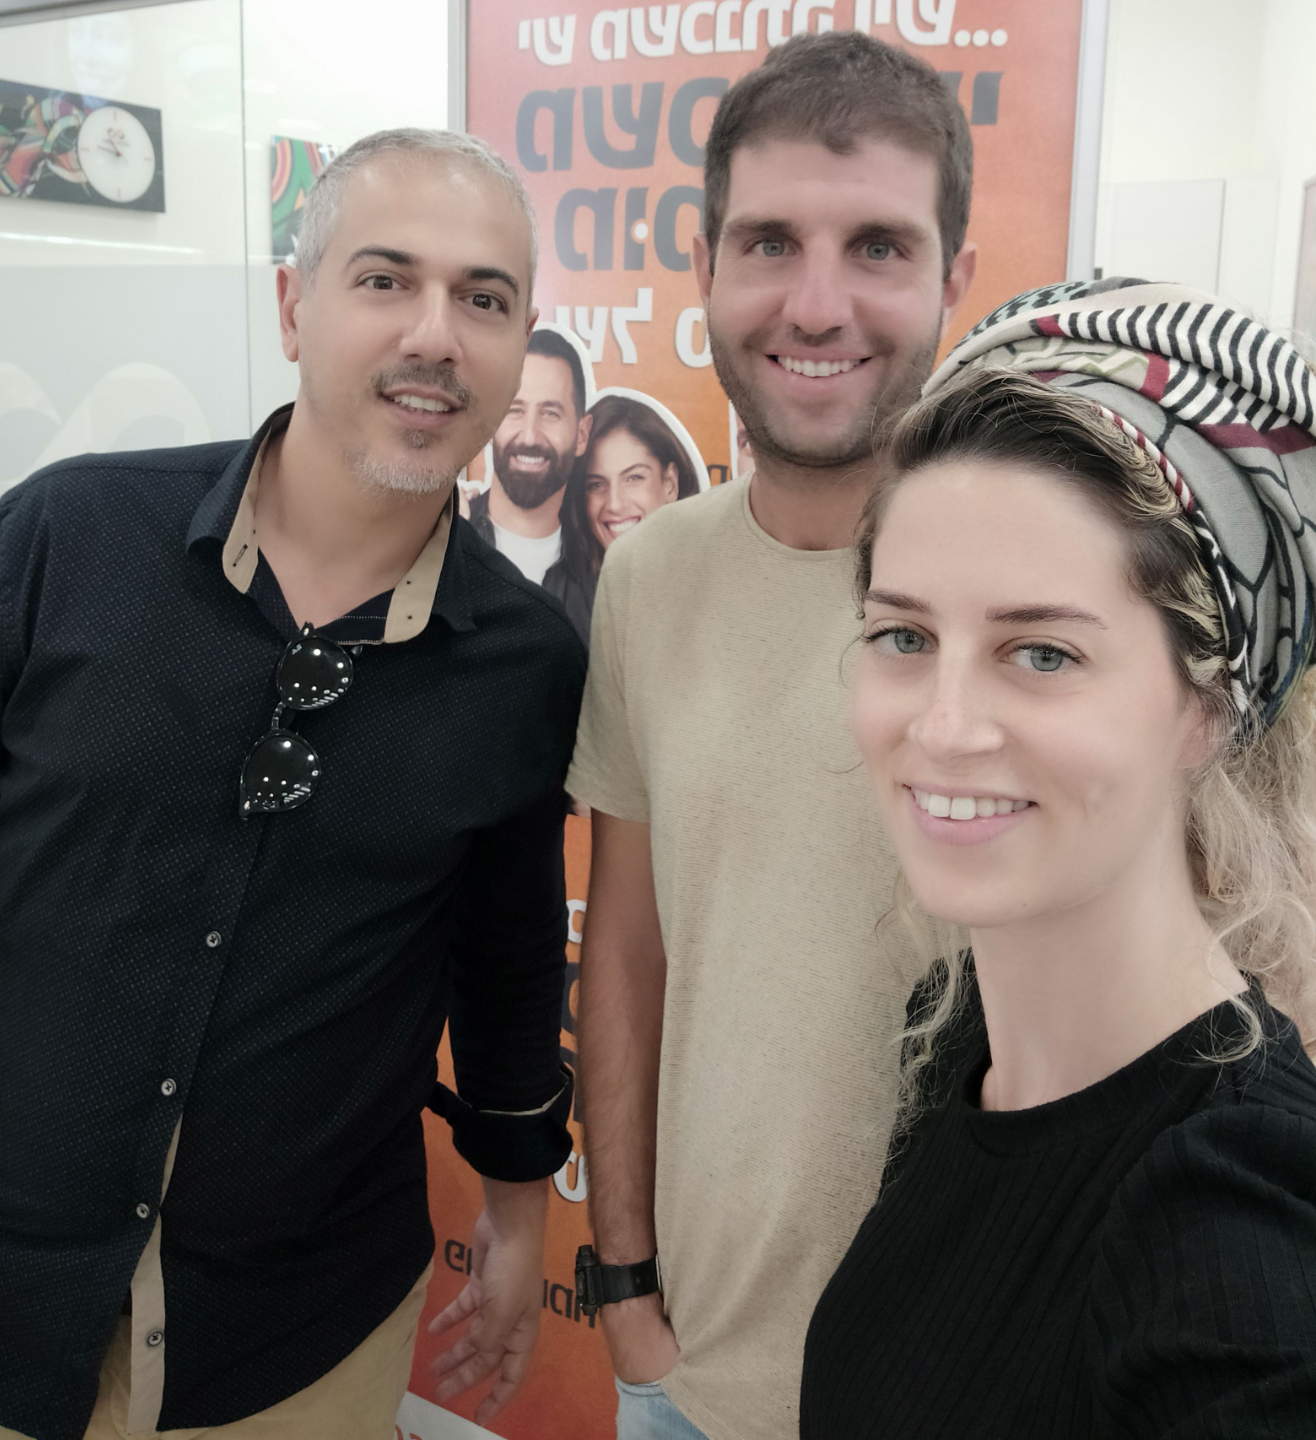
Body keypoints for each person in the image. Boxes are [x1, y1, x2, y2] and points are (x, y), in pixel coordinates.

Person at [0, 129, 586, 1440]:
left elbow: (505, 967)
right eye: (385, 280)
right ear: (290, 305)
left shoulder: (524, 661)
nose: (434, 336)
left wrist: (516, 1208)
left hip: (297, 1340)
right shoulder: (66, 537)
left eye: (483, 299)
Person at [801, 280, 1316, 1438]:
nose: (942, 726)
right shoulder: (957, 1032)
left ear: (1207, 710)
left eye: (1041, 654)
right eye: (904, 635)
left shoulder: (1238, 1225)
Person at [568, 31, 975, 1440]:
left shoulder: (1047, 585)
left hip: (969, 1382)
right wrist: (624, 1280)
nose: (816, 303)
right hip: (687, 1376)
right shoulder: (648, 577)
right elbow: (627, 948)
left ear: (953, 281)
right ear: (704, 266)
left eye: (877, 246)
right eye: (768, 243)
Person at [557, 394, 701, 642]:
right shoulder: (561, 603)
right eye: (596, 484)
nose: (615, 504)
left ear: (670, 483)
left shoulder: (718, 586)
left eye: (634, 478)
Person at [472, 325, 591, 596]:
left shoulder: (602, 571)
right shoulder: (439, 541)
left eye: (550, 413)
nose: (529, 436)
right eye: (515, 410)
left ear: (582, 435)